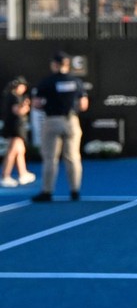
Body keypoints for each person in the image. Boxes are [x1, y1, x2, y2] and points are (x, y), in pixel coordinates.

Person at [31, 51, 89, 202]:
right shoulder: (76, 81)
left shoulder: (47, 82)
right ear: (67, 65)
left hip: (52, 120)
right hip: (71, 121)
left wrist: (47, 106)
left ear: (55, 65)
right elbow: (83, 105)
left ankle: (47, 191)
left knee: (50, 158)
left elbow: (36, 104)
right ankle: (75, 190)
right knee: (73, 157)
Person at [1, 77, 34, 188]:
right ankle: (5, 176)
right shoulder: (14, 97)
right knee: (12, 151)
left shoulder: (11, 96)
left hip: (15, 127)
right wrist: (26, 106)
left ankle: (23, 174)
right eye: (23, 86)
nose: (24, 88)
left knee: (20, 151)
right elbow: (18, 111)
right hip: (15, 128)